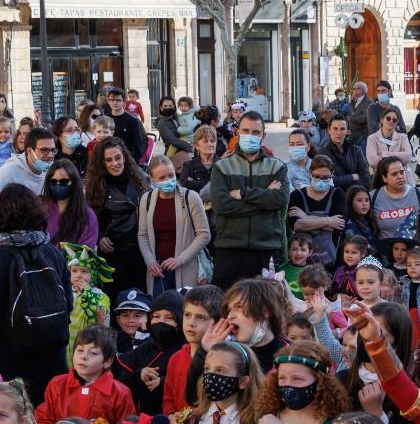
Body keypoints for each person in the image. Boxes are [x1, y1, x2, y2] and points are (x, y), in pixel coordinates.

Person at [0, 182, 74, 403]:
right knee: (51, 418)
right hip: (53, 353)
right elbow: (68, 302)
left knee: (16, 421)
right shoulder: (51, 252)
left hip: (9, 356)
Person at [209, 111, 289, 287]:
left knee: (265, 309)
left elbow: (280, 200)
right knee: (225, 307)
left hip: (266, 249)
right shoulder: (222, 167)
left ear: (263, 136)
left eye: (255, 132)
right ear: (237, 132)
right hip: (229, 248)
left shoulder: (276, 167)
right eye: (245, 131)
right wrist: (263, 201)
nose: (250, 136)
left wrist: (243, 193)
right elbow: (222, 206)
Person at [137, 155, 210, 294]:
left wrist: (180, 259)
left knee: (184, 310)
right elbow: (143, 235)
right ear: (153, 180)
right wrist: (150, 261)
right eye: (161, 178)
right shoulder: (146, 199)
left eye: (171, 175)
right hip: (158, 270)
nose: (168, 181)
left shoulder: (191, 197)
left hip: (186, 267)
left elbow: (204, 234)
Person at [84, 137, 147, 296]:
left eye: (118, 158)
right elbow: (88, 219)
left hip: (141, 251)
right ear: (102, 162)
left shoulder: (141, 179)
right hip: (113, 253)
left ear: (124, 157)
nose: (115, 163)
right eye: (109, 160)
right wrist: (100, 237)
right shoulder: (95, 187)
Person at [0, 126, 55, 195]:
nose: (50, 155)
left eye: (52, 150)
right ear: (29, 151)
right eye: (44, 150)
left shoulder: (53, 172)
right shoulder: (6, 173)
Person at [365, 106, 411, 175]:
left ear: (396, 123)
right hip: (379, 175)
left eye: (394, 120)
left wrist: (384, 154)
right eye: (388, 118)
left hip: (400, 176)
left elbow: (408, 156)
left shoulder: (403, 137)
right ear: (382, 120)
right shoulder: (372, 138)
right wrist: (395, 163)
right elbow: (372, 160)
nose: (391, 121)